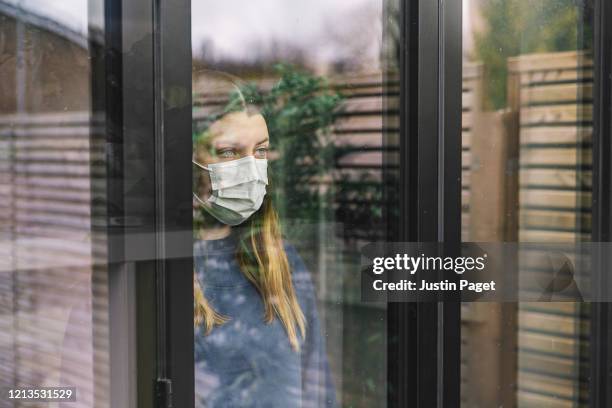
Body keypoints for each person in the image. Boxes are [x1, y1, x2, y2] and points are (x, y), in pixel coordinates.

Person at [192, 71, 336, 408]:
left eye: (261, 150)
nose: (250, 167)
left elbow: (317, 386)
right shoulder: (159, 266)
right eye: (228, 152)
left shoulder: (278, 258)